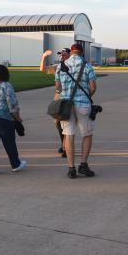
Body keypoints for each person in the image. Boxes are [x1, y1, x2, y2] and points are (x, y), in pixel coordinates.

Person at [55, 43, 98, 178]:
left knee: (68, 135)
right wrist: (86, 96)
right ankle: (83, 165)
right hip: (83, 104)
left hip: (66, 105)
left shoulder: (60, 66)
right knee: (87, 134)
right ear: (82, 52)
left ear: (71, 52)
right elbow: (93, 87)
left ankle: (71, 168)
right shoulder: (87, 65)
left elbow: (58, 86)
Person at [40, 48, 71, 157]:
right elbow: (42, 69)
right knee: (58, 122)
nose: (61, 56)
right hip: (58, 97)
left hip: (69, 96)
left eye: (64, 54)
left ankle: (66, 148)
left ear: (70, 55)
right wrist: (44, 57)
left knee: (67, 122)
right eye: (60, 54)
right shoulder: (57, 67)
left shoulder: (73, 66)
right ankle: (63, 144)